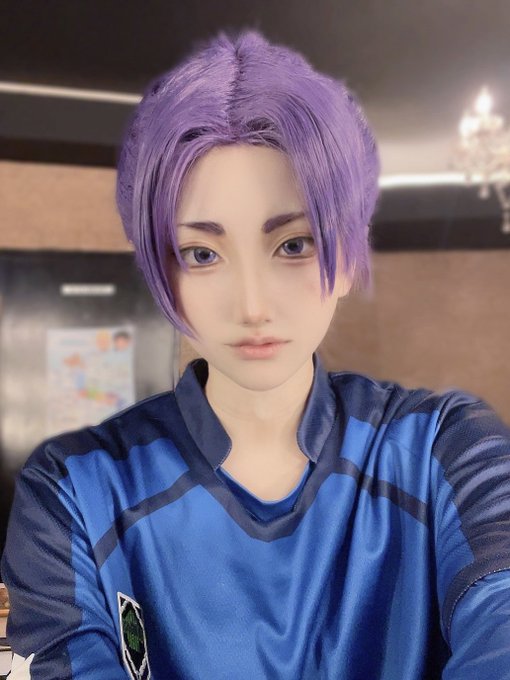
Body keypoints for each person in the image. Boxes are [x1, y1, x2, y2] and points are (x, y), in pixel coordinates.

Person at [2, 28, 510, 680]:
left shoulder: (447, 449)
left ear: (347, 256)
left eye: (293, 245)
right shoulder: (72, 491)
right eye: (202, 254)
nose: (251, 305)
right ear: (161, 273)